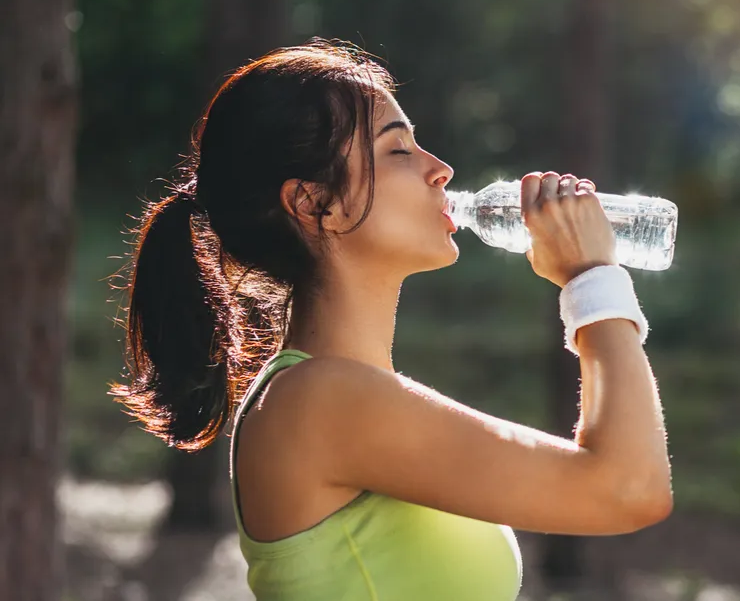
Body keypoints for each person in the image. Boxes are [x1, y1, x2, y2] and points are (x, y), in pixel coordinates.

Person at [111, 40, 672, 600]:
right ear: (314, 204)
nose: (441, 170)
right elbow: (628, 489)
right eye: (398, 150)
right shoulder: (321, 399)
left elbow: (622, 484)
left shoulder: (341, 392)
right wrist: (590, 276)